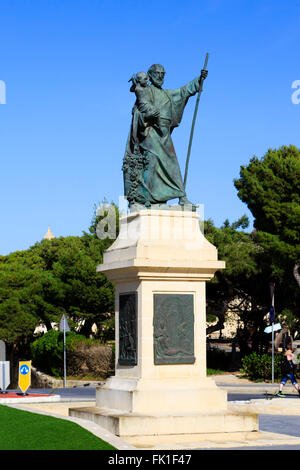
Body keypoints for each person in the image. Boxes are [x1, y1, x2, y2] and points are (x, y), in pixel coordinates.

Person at [123, 63, 208, 208]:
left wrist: (199, 79)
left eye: (163, 74)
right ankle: (144, 199)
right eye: (157, 74)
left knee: (172, 163)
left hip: (164, 134)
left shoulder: (167, 94)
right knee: (151, 162)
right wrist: (148, 114)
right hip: (150, 133)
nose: (160, 77)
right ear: (150, 76)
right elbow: (140, 109)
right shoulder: (146, 90)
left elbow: (184, 91)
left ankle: (182, 197)